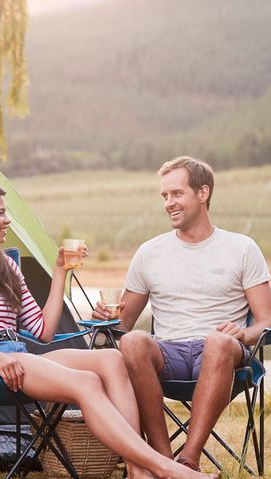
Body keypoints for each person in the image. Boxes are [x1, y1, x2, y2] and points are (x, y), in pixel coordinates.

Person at [0, 180, 220, 479]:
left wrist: (59, 272)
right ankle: (165, 469)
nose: (8, 220)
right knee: (87, 383)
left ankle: (137, 472)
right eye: (0, 213)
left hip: (16, 354)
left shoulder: (6, 267)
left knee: (111, 359)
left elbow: (42, 332)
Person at [92, 156, 271, 471]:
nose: (168, 203)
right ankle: (163, 461)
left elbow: (266, 320)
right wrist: (103, 318)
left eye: (176, 194)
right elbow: (122, 325)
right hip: (168, 353)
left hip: (221, 354)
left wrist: (243, 334)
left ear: (203, 194)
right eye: (164, 196)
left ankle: (188, 460)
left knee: (217, 341)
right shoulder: (149, 253)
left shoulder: (242, 248)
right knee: (133, 342)